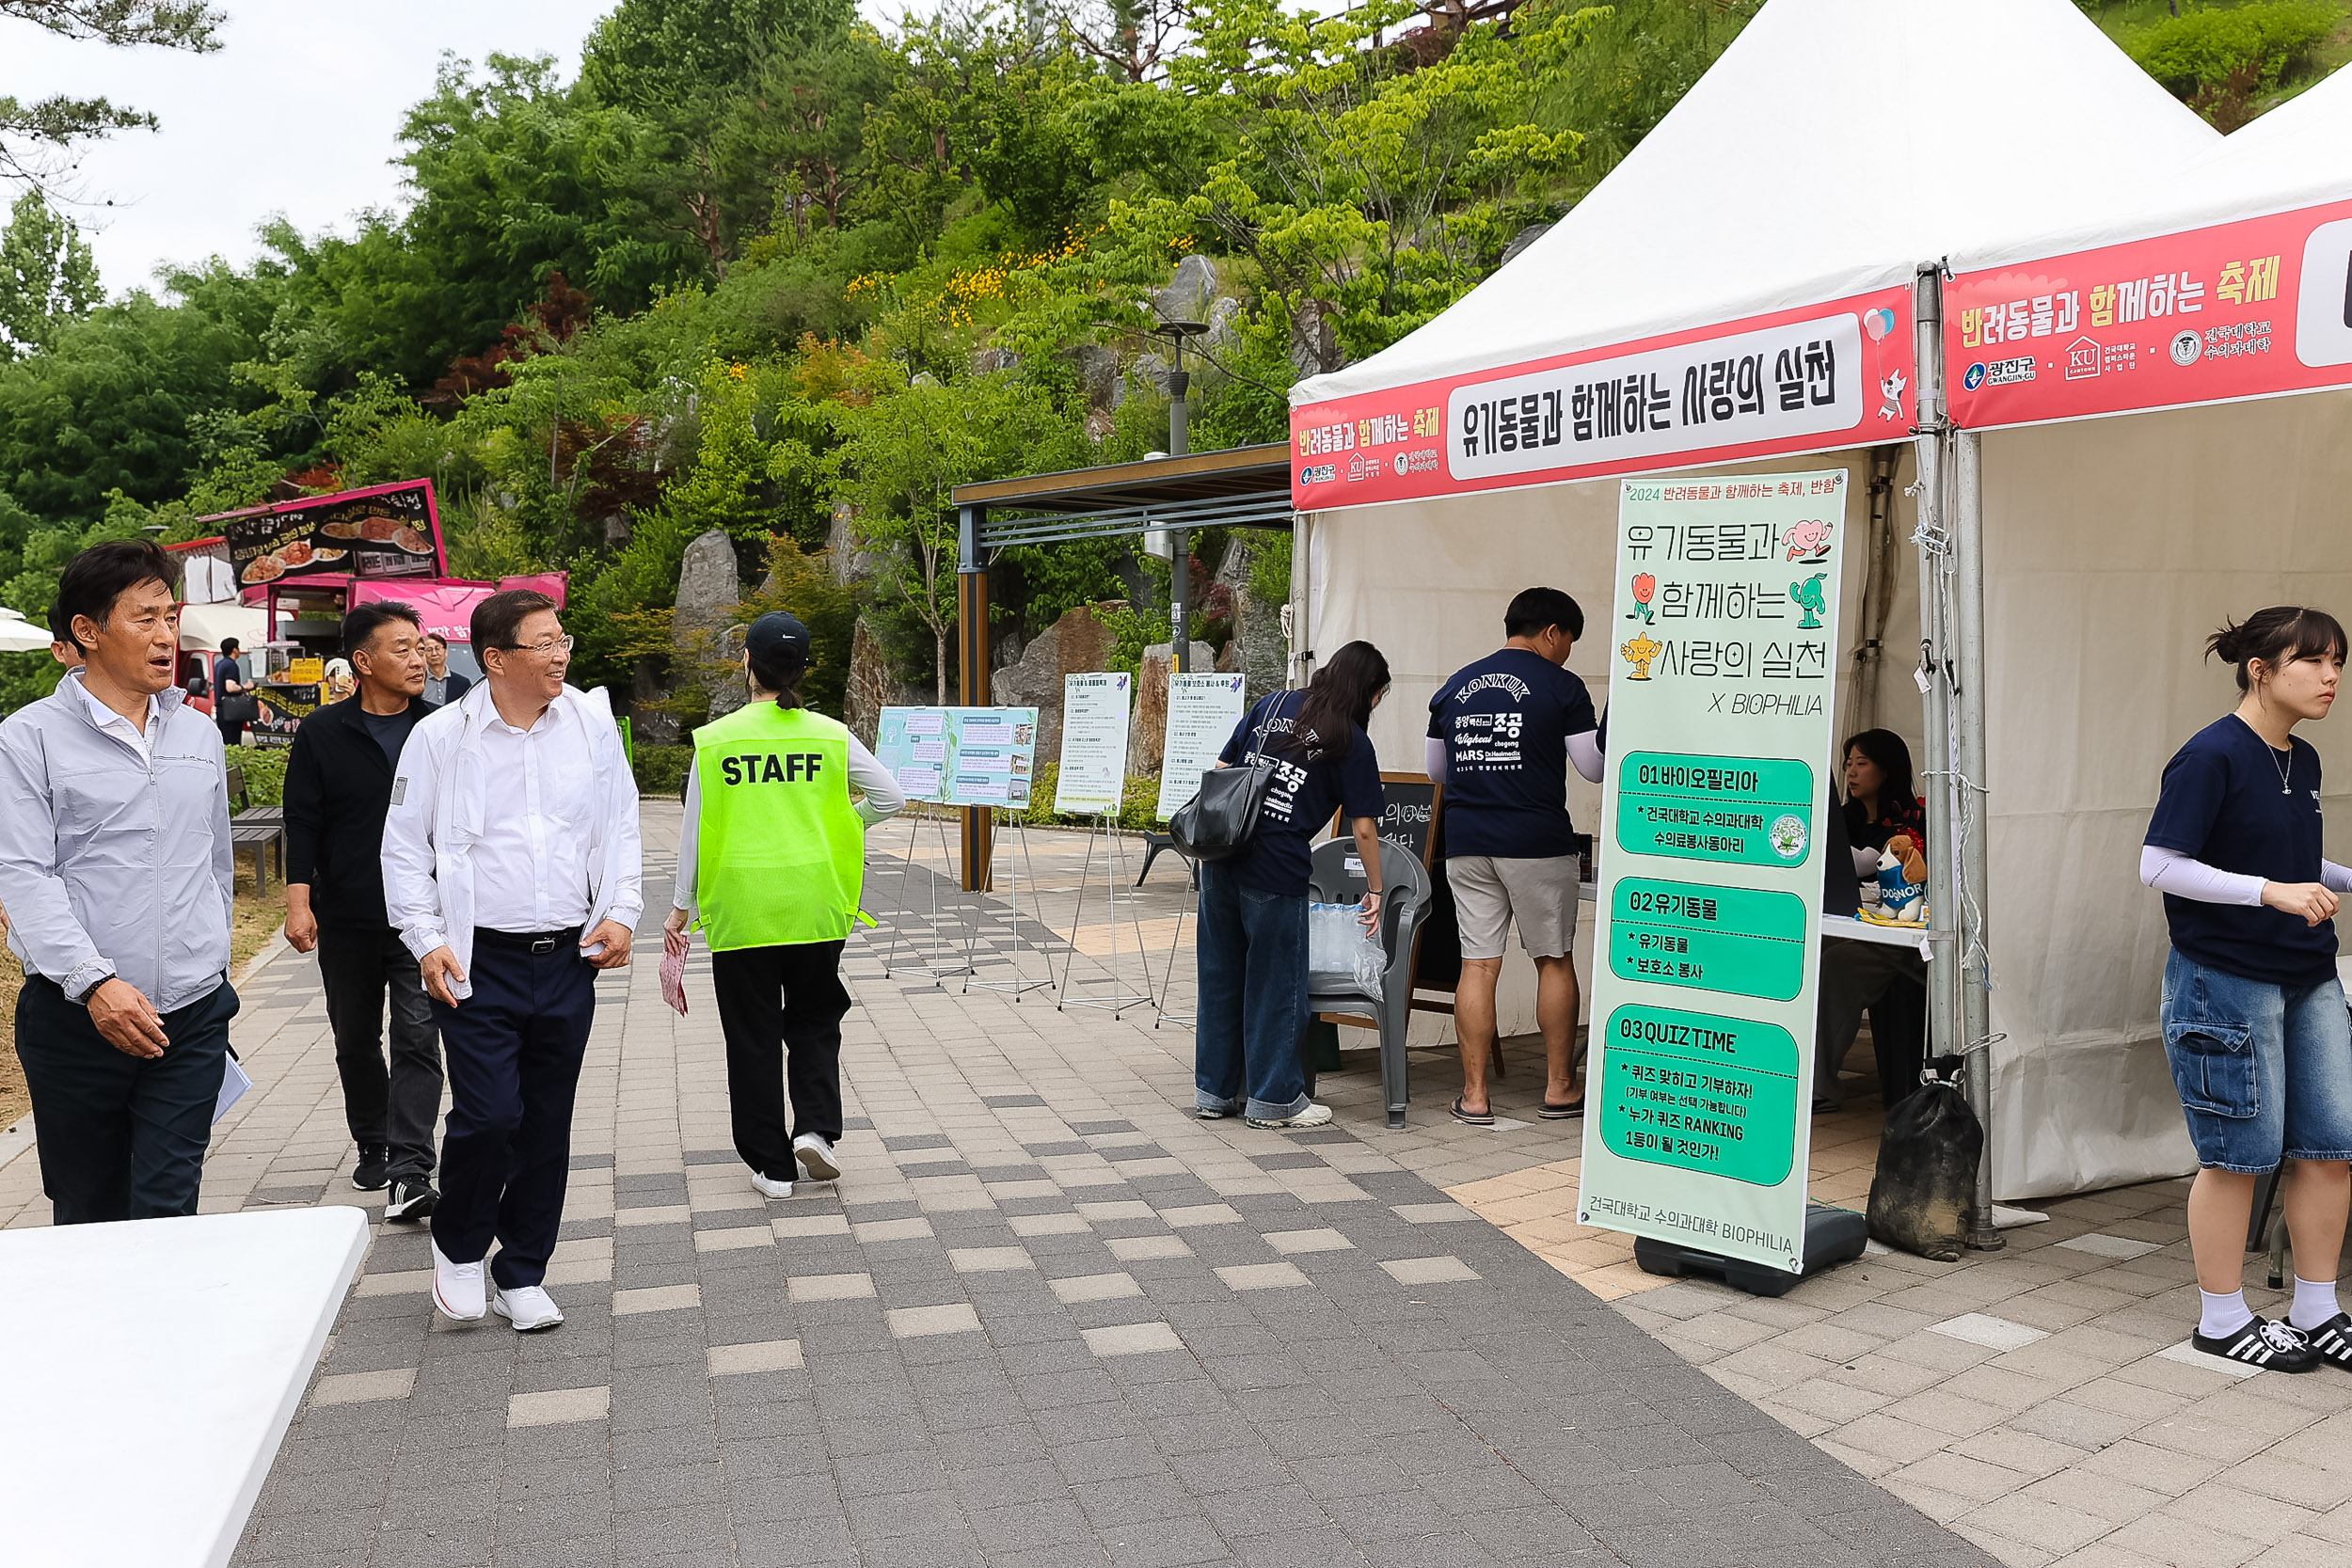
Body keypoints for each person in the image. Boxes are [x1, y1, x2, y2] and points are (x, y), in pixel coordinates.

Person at [382, 589, 643, 1332]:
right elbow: (403, 850)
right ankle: (460, 1247)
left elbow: (621, 824)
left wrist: (622, 910)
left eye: (564, 639)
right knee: (491, 1114)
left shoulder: (591, 726)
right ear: (495, 659)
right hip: (475, 960)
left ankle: (522, 1267)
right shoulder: (440, 738)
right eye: (544, 642)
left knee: (546, 1123)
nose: (561, 653)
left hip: (568, 956)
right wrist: (426, 937)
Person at [0, 541, 239, 1224]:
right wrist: (95, 982)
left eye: (170, 615)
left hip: (189, 1021)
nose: (167, 635)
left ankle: (170, 1333)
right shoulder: (27, 740)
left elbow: (215, 861)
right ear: (87, 631)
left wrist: (211, 967)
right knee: (90, 1217)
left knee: (168, 1209)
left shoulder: (198, 733)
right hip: (78, 1020)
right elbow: (23, 874)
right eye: (146, 619)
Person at [2140, 606, 2352, 1373]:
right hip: (2224, 980)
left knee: (2331, 1147)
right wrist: (2272, 892)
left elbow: (2290, 859)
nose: (2331, 677)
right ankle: (2223, 1319)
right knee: (2238, 1155)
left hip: (2309, 975)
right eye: (2314, 661)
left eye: (2339, 662)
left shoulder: (2304, 757)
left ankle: (2317, 1308)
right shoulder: (2211, 756)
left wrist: (2337, 879)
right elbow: (2160, 864)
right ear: (2260, 668)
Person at [662, 612, 905, 1199]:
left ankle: (772, 1166)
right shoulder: (828, 734)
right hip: (817, 899)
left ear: (746, 662)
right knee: (816, 1018)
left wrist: (678, 910)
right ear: (802, 670)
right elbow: (890, 796)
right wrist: (847, 822)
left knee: (752, 1034)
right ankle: (817, 1130)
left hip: (743, 904)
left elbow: (694, 832)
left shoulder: (717, 741)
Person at [285, 601, 444, 1221]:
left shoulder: (437, 729)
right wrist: (299, 900)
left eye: (420, 646)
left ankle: (409, 1167)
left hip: (419, 919)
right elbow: (303, 819)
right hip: (347, 913)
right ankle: (372, 1140)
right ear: (363, 661)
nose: (419, 658)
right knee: (356, 1038)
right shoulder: (323, 732)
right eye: (402, 648)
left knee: (417, 1036)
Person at [1425, 586, 1602, 1126]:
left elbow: (1436, 773)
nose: (1568, 651)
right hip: (1536, 841)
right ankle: (1559, 1087)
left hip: (1467, 841)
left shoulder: (1454, 686)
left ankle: (1475, 1097)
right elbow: (1592, 768)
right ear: (1553, 631)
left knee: (1478, 964)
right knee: (1553, 958)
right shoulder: (1563, 686)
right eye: (1569, 640)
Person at [1196, 640, 1389, 1130]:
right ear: (1368, 691)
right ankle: (1275, 1100)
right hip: (1275, 867)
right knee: (1276, 984)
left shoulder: (1272, 704)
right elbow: (1363, 827)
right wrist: (1376, 890)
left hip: (1222, 857)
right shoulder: (1350, 739)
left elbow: (1221, 773)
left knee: (1221, 977)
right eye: (1379, 696)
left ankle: (1215, 1094)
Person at [1842, 728, 1929, 855]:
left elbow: (1864, 863)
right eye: (1849, 764)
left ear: (1887, 769)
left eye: (1861, 763)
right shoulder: (1844, 816)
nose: (1851, 773)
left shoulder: (1911, 821)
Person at [213, 636, 248, 750]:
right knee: (233, 743)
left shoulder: (219, 664)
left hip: (221, 709)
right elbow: (230, 687)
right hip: (231, 710)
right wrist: (246, 687)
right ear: (234, 650)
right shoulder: (231, 665)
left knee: (225, 743)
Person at [422, 632, 472, 706]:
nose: (434, 653)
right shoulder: (419, 682)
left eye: (437, 648)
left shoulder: (463, 683)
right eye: (429, 650)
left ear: (445, 651)